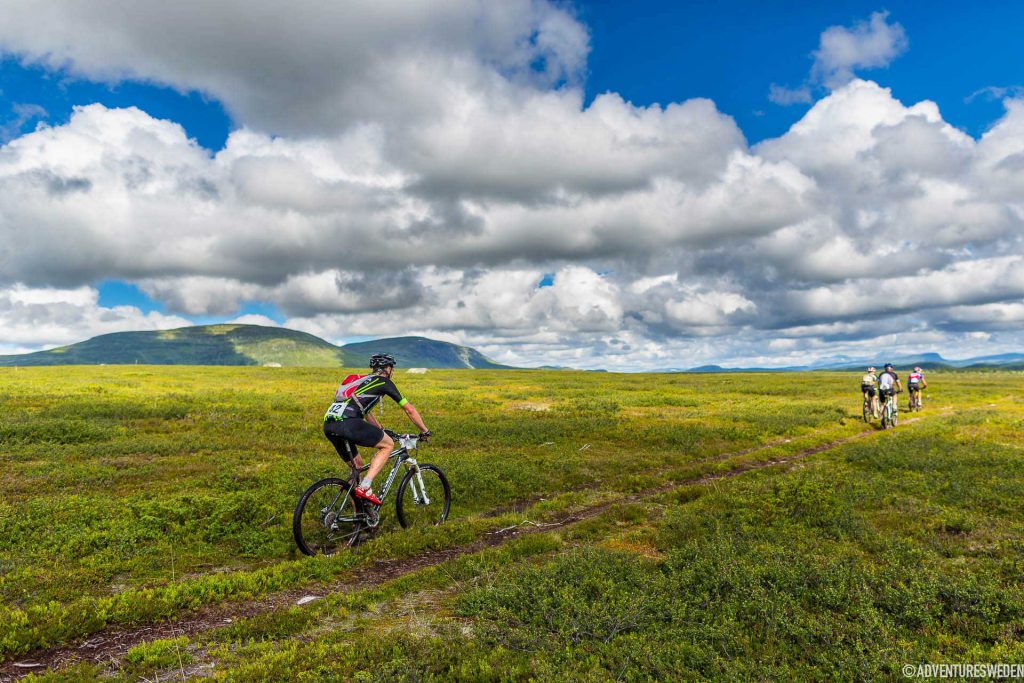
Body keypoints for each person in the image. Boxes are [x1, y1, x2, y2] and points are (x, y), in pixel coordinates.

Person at [323, 353, 431, 505]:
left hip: (329, 424)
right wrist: (425, 431)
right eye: (392, 368)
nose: (392, 372)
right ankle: (366, 486)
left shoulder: (358, 380)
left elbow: (364, 410)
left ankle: (360, 517)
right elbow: (409, 410)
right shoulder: (384, 382)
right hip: (348, 423)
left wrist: (381, 429)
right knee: (387, 445)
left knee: (357, 468)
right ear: (387, 368)